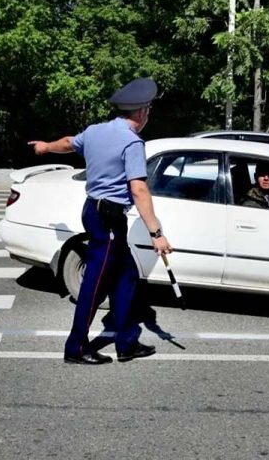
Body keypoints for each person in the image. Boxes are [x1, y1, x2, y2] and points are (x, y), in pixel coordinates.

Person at [29, 77, 173, 365]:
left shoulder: (95, 131)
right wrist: (156, 233)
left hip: (95, 212)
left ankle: (126, 342)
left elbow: (70, 143)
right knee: (95, 284)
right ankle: (76, 347)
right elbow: (139, 189)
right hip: (108, 219)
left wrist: (45, 147)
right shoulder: (132, 142)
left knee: (127, 275)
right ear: (142, 112)